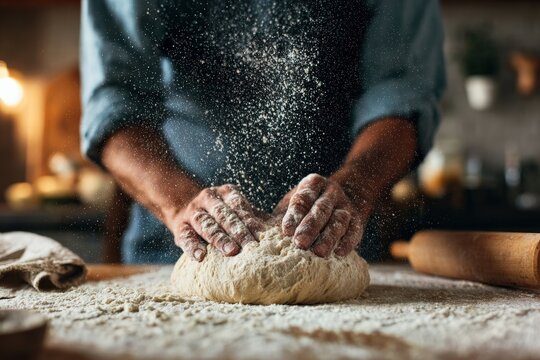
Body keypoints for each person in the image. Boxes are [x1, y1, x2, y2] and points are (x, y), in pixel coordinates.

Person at [81, 0, 446, 264]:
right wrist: (179, 204)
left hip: (333, 247)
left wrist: (353, 189)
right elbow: (115, 100)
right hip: (178, 249)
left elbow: (400, 92)